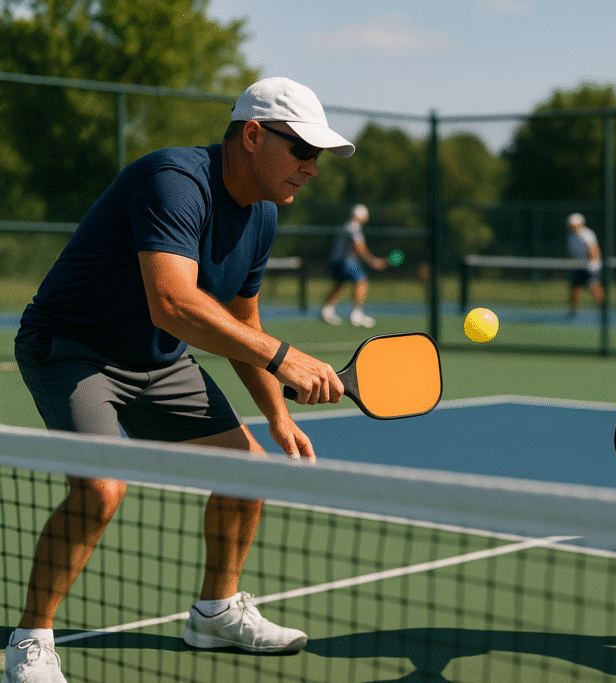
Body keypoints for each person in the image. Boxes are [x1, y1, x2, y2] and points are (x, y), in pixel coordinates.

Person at [5, 77, 354, 683]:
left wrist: (277, 414)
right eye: (302, 150)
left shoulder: (263, 216)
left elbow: (241, 319)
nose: (311, 168)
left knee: (246, 469)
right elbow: (172, 302)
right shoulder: (173, 181)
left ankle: (215, 614)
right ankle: (30, 641)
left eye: (317, 156)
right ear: (252, 136)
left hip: (157, 362)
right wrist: (284, 357)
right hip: (72, 350)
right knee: (101, 488)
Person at [320, 203, 387, 328]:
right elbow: (359, 248)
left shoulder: (347, 226)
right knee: (362, 281)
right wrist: (373, 261)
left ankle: (326, 311)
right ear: (362, 217)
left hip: (336, 260)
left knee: (339, 284)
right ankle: (357, 314)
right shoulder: (354, 228)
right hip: (346, 261)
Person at [565, 212, 605, 316]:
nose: (571, 227)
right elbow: (572, 253)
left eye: (573, 225)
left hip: (591, 266)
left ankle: (603, 309)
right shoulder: (570, 237)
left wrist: (589, 264)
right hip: (579, 266)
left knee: (594, 286)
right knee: (575, 286)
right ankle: (574, 310)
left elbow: (595, 252)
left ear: (580, 224)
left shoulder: (587, 234)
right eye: (570, 225)